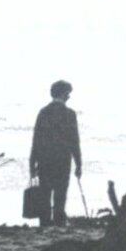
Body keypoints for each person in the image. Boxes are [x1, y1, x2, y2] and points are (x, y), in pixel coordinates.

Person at [28, 81, 83, 227]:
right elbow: (74, 141)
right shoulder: (69, 114)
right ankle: (59, 223)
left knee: (44, 194)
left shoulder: (43, 112)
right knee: (61, 194)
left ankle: (44, 224)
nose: (69, 96)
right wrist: (78, 164)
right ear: (63, 94)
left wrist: (32, 164)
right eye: (68, 93)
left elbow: (36, 140)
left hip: (44, 160)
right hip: (63, 160)